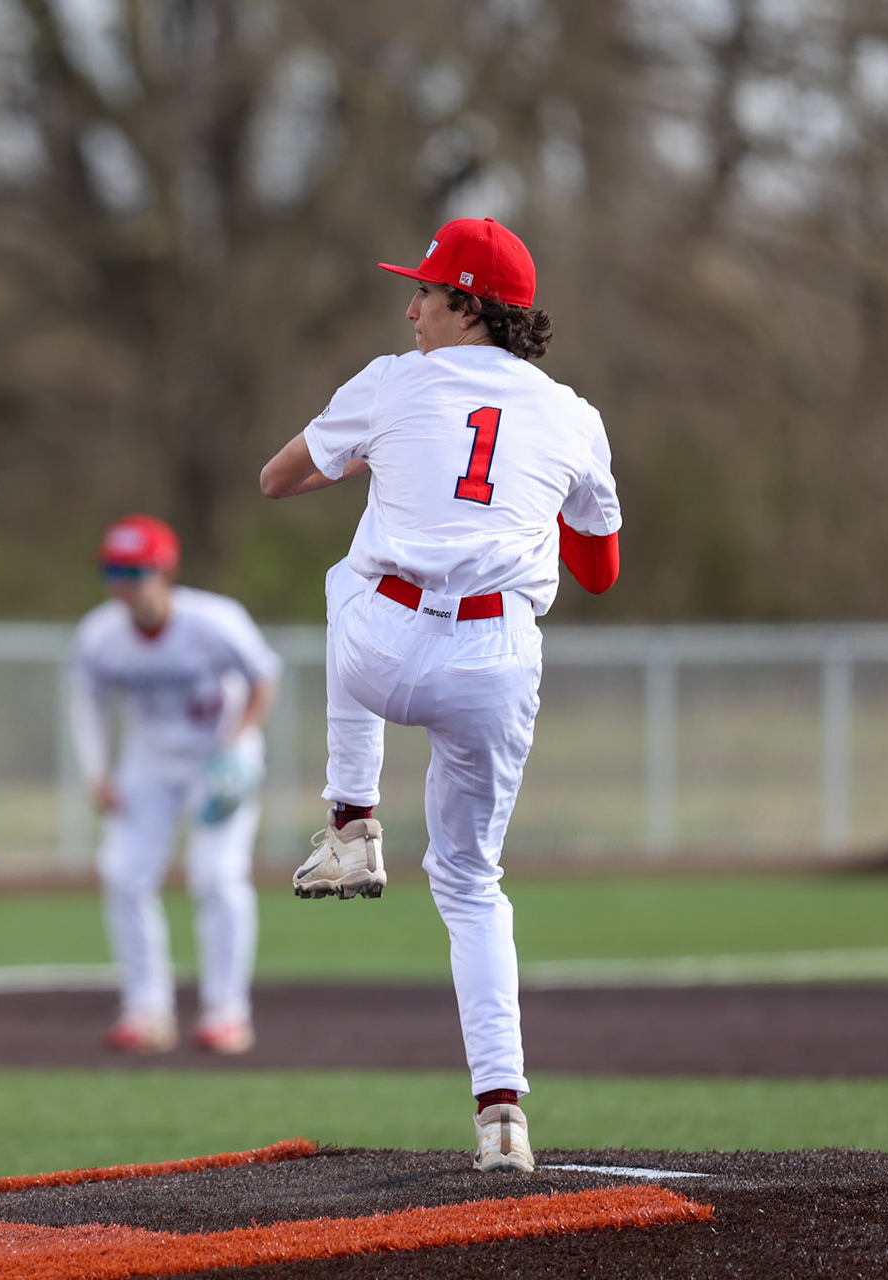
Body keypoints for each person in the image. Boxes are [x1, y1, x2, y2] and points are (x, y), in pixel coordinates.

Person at [257, 217, 621, 1172]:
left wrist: (375, 450)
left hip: (385, 640)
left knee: (345, 577)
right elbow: (602, 571)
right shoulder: (572, 414)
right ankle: (502, 1112)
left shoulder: (389, 381)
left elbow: (277, 480)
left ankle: (350, 822)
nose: (410, 304)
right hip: (497, 659)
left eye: (425, 289)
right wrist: (536, 504)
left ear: (470, 304)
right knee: (471, 883)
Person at [69, 514, 282, 1055]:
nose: (123, 582)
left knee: (217, 875)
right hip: (149, 759)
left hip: (219, 755)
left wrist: (239, 745)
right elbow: (88, 702)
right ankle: (147, 1012)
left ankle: (226, 1014)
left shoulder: (214, 621)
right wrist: (97, 771)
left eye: (134, 569)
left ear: (164, 569)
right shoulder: (100, 634)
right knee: (122, 873)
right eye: (112, 569)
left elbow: (263, 679)